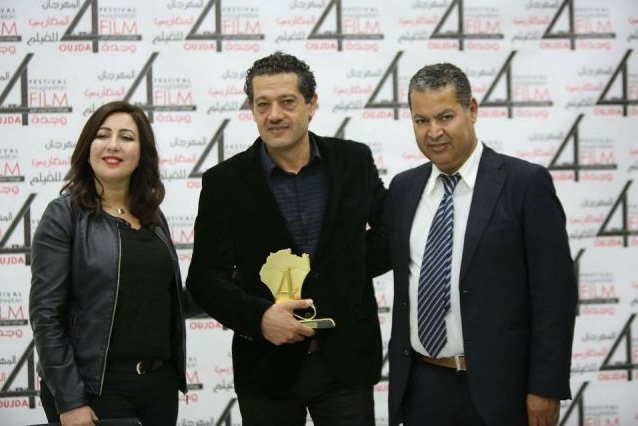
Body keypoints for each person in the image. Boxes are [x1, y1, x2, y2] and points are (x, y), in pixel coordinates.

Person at [186, 51, 388, 426]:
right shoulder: (224, 183)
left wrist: (347, 270)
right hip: (266, 370)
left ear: (311, 104)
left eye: (287, 102)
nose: (274, 114)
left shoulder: (353, 161)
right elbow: (203, 280)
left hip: (345, 363)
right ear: (251, 109)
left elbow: (390, 234)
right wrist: (260, 318)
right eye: (263, 104)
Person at [384, 63, 577, 426]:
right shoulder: (403, 189)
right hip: (422, 386)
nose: (434, 132)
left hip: (503, 390)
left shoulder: (525, 184)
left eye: (445, 117)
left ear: (471, 110)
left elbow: (555, 296)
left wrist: (545, 387)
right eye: (421, 120)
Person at [30, 101, 190, 426]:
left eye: (126, 137)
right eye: (103, 135)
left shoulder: (152, 217)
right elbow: (46, 316)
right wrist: (69, 400)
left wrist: (227, 282)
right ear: (87, 147)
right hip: (94, 390)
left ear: (142, 153)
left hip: (159, 387)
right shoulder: (63, 215)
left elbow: (166, 300)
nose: (113, 145)